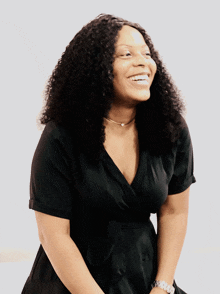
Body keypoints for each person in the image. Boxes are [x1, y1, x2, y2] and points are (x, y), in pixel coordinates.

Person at [22, 14, 196, 294]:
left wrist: (163, 286)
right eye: (126, 54)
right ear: (96, 68)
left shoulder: (170, 129)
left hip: (145, 279)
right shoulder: (61, 135)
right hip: (72, 283)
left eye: (146, 53)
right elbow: (53, 235)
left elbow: (174, 212)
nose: (142, 62)